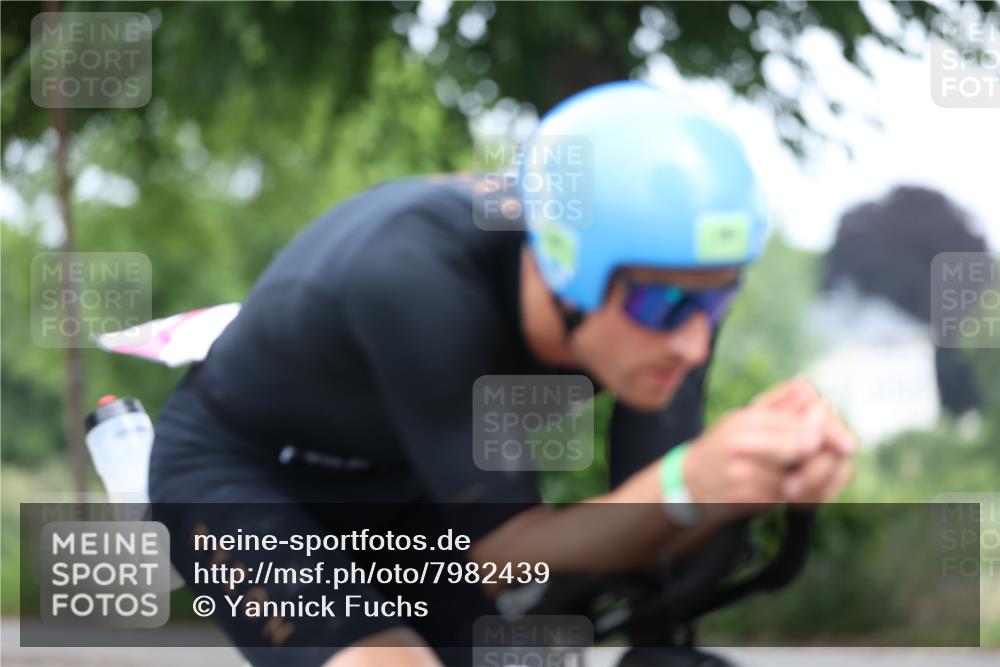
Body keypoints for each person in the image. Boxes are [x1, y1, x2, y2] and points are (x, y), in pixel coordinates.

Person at [149, 81, 855, 667]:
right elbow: (505, 553)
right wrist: (686, 484)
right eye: (665, 303)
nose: (694, 343)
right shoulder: (416, 277)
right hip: (245, 474)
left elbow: (649, 534)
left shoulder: (664, 299)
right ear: (566, 268)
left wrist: (753, 480)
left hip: (407, 481)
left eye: (717, 300)